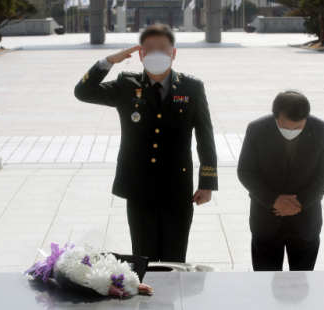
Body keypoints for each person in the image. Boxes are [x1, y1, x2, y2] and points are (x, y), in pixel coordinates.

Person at [74, 24, 218, 263]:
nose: (156, 54)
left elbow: (205, 136)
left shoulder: (191, 87)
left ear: (173, 52)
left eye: (163, 48)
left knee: (175, 258)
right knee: (143, 257)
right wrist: (108, 61)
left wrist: (207, 182)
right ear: (140, 55)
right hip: (139, 186)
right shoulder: (126, 84)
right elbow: (83, 92)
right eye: (149, 49)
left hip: (177, 187)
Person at [237, 90, 324, 271]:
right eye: (285, 127)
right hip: (266, 221)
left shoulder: (321, 130)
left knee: (301, 285)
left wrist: (299, 203)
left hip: (305, 222)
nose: (291, 131)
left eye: (298, 128)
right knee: (264, 283)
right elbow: (246, 171)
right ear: (275, 115)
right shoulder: (257, 129)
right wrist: (273, 200)